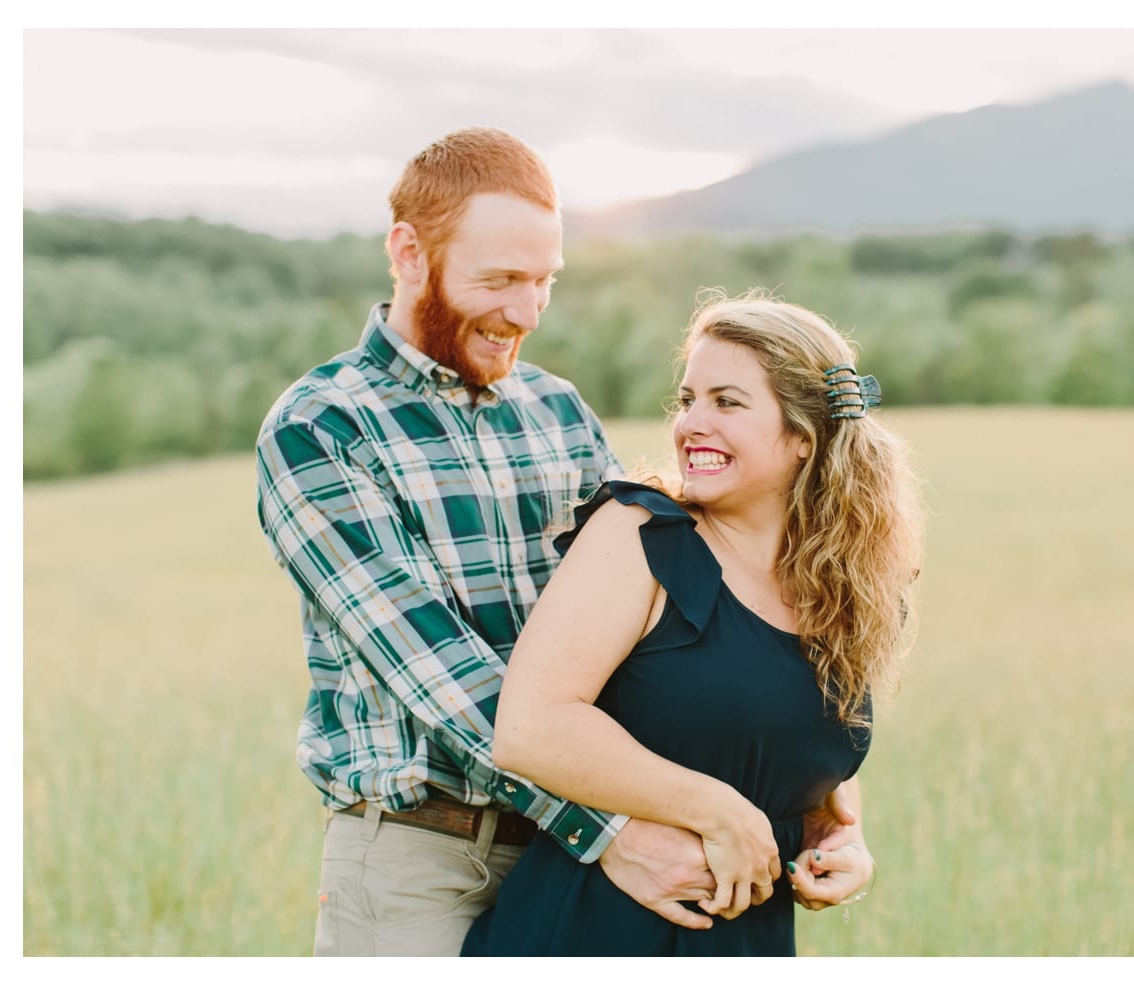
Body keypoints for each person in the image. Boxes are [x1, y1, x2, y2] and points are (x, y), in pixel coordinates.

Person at [255, 128, 866, 956]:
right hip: (425, 857)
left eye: (545, 281)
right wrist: (613, 826)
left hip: (573, 853)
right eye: (500, 279)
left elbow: (692, 617)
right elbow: (439, 675)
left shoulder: (559, 413)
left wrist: (827, 802)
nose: (527, 311)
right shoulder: (321, 427)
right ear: (407, 252)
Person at [461, 292, 925, 955]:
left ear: (802, 436)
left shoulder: (846, 586)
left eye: (726, 402)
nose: (691, 424)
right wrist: (718, 808)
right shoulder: (642, 534)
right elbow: (530, 728)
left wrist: (842, 842)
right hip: (594, 931)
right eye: (687, 400)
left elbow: (789, 739)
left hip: (748, 939)